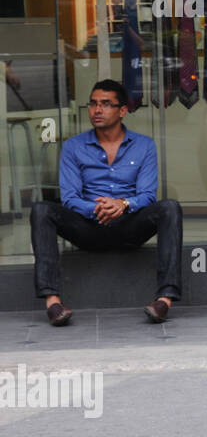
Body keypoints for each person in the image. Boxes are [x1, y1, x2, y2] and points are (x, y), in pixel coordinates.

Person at [30, 79, 183, 325]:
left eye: (105, 104)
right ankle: (53, 302)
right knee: (41, 210)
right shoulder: (74, 147)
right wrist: (98, 208)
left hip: (129, 227)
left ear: (122, 111)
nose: (97, 110)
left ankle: (165, 299)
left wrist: (122, 205)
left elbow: (146, 195)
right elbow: (70, 197)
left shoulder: (144, 146)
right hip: (88, 228)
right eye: (93, 104)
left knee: (169, 208)